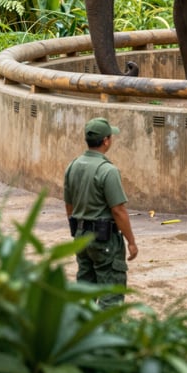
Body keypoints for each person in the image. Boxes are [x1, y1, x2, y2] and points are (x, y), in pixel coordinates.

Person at [63, 117, 138, 308]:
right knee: (111, 295)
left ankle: (79, 333)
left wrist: (77, 230)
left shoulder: (72, 166)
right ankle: (106, 334)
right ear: (106, 141)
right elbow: (118, 210)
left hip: (81, 236)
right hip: (104, 239)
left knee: (84, 291)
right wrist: (131, 241)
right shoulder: (108, 170)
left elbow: (69, 205)